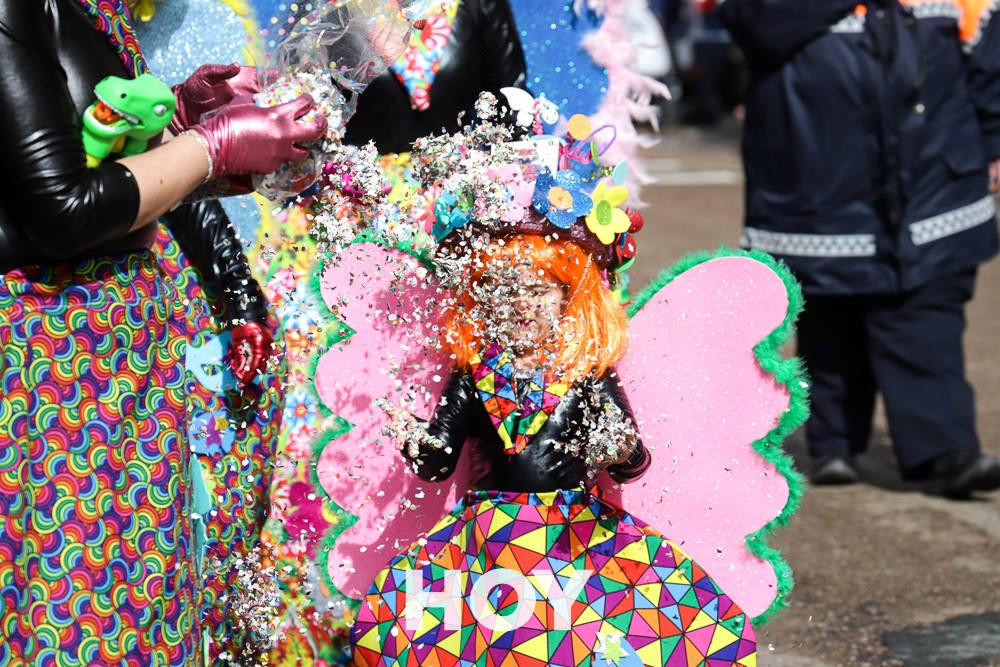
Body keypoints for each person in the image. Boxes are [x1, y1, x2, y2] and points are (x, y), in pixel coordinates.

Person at [0, 0, 325, 664]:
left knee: (147, 613)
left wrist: (178, 119)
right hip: (52, 380)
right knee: (75, 620)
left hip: (118, 372)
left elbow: (89, 158)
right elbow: (60, 211)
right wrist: (208, 148)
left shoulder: (91, 9)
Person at [349, 211, 757, 663]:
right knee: (491, 645)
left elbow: (634, 462)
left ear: (567, 297)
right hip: (490, 541)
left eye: (539, 290)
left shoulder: (587, 373)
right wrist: (416, 443)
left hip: (575, 534)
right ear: (486, 301)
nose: (524, 304)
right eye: (509, 292)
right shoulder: (471, 374)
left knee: (580, 639)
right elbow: (439, 464)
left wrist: (619, 448)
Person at [717, 0, 1000, 497]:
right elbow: (755, 25)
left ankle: (947, 449)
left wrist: (994, 141)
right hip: (816, 180)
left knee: (927, 313)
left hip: (934, 175)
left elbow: (989, 59)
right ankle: (834, 442)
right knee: (829, 316)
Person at [342, 0, 526, 154]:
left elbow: (511, 94)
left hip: (461, 180)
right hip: (365, 187)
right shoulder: (335, 14)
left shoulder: (475, 4)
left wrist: (520, 169)